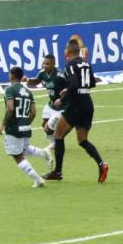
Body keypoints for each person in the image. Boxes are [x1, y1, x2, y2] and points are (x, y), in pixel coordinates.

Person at [44, 39, 109, 183]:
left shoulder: (70, 65)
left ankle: (58, 172)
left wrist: (62, 98)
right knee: (82, 140)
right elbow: (92, 82)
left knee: (58, 135)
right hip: (87, 103)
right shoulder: (86, 63)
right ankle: (102, 164)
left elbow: (73, 84)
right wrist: (72, 88)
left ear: (68, 51)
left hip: (76, 104)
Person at [0, 67, 51, 188]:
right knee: (25, 149)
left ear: (11, 76)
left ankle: (38, 180)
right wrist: (26, 123)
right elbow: (33, 112)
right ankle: (44, 153)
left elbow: (10, 108)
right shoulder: (28, 91)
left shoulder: (9, 89)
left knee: (17, 156)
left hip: (14, 128)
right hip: (25, 127)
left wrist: (2, 125)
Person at [23, 54, 66, 169]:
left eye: (47, 64)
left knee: (47, 128)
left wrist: (62, 99)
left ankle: (56, 143)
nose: (45, 65)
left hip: (62, 106)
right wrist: (27, 80)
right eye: (44, 63)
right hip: (51, 104)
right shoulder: (43, 73)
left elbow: (70, 88)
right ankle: (57, 139)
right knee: (44, 123)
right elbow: (36, 81)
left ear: (53, 64)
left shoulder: (60, 75)